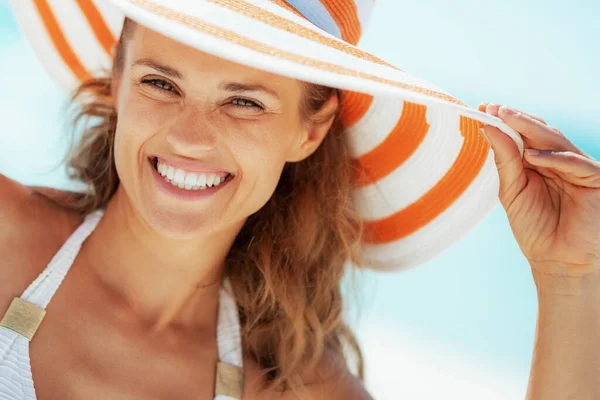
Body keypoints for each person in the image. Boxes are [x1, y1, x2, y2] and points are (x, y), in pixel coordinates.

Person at [1, 1, 598, 399]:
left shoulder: (292, 386)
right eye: (161, 83)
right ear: (117, 79)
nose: (188, 136)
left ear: (308, 131)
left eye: (244, 102)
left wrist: (570, 279)